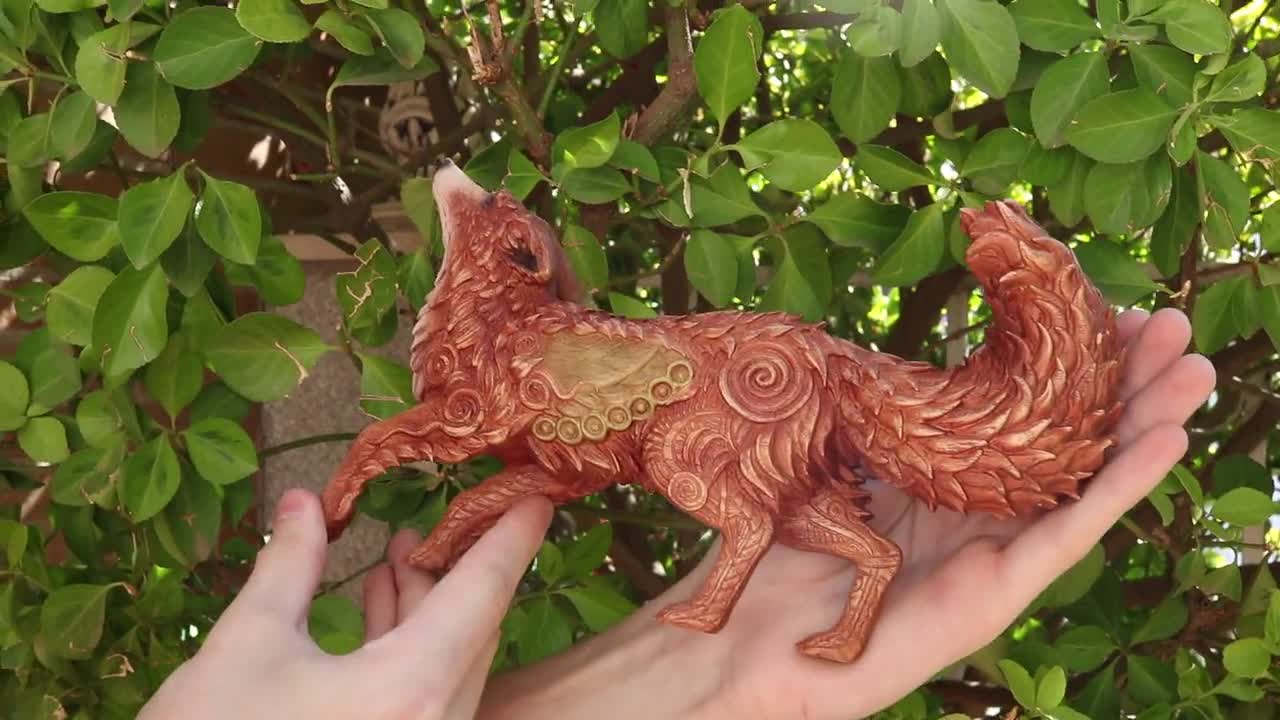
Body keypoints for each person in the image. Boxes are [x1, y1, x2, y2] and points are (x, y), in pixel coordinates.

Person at [138, 308, 1216, 720]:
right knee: (814, 527)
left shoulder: (538, 362)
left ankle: (741, 563)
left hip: (734, 391)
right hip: (727, 399)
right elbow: (524, 475)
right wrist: (698, 684)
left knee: (706, 480)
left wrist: (368, 464)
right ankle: (829, 583)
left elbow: (469, 432)